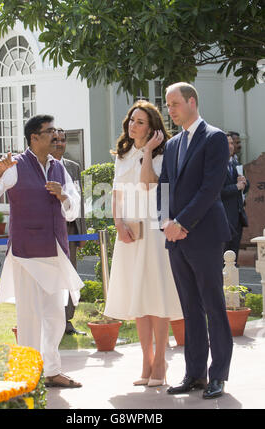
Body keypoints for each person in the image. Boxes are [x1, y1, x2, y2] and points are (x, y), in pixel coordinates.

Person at [0, 115, 84, 388]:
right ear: (34, 138)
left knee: (55, 315)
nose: (56, 137)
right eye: (49, 132)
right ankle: (27, 374)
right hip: (26, 254)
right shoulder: (15, 166)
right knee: (29, 316)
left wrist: (63, 196)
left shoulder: (59, 167)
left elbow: (74, 209)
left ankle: (52, 370)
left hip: (54, 250)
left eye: (55, 132)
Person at [154, 82, 233, 399]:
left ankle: (218, 376)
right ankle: (195, 374)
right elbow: (163, 187)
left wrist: (182, 222)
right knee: (189, 308)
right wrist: (164, 222)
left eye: (174, 104)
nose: (169, 110)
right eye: (168, 105)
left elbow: (211, 188)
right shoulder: (172, 145)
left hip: (205, 236)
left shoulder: (214, 138)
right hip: (176, 239)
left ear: (191, 102)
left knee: (214, 306)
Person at [104, 100, 183, 387]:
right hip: (129, 230)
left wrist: (148, 151)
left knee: (155, 292)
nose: (132, 125)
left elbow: (150, 185)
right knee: (138, 296)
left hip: (153, 227)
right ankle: (146, 362)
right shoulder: (123, 153)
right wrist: (118, 224)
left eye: (139, 122)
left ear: (152, 128)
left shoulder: (164, 152)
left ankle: (161, 361)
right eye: (131, 120)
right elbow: (116, 192)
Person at [50, 129, 87, 336]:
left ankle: (67, 321)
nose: (60, 144)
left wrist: (82, 232)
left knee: (70, 275)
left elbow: (79, 201)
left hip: (71, 232)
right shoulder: (42, 167)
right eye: (56, 140)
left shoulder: (73, 167)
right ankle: (53, 322)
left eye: (63, 140)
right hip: (50, 231)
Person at [221, 133, 249, 265]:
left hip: (237, 216)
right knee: (224, 256)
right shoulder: (216, 165)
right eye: (227, 143)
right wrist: (236, 187)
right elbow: (216, 192)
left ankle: (235, 285)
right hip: (223, 216)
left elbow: (244, 188)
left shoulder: (236, 164)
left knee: (234, 256)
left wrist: (244, 183)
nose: (231, 146)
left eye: (232, 143)